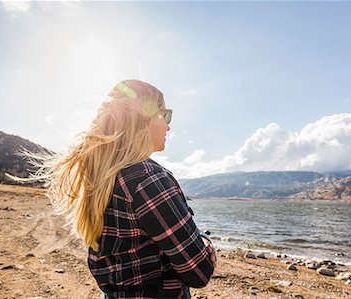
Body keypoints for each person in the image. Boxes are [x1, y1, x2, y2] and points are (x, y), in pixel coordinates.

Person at [13, 80, 215, 298]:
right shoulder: (148, 178)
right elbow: (199, 271)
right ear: (142, 118)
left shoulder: (105, 177)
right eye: (165, 115)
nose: (168, 126)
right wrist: (204, 241)